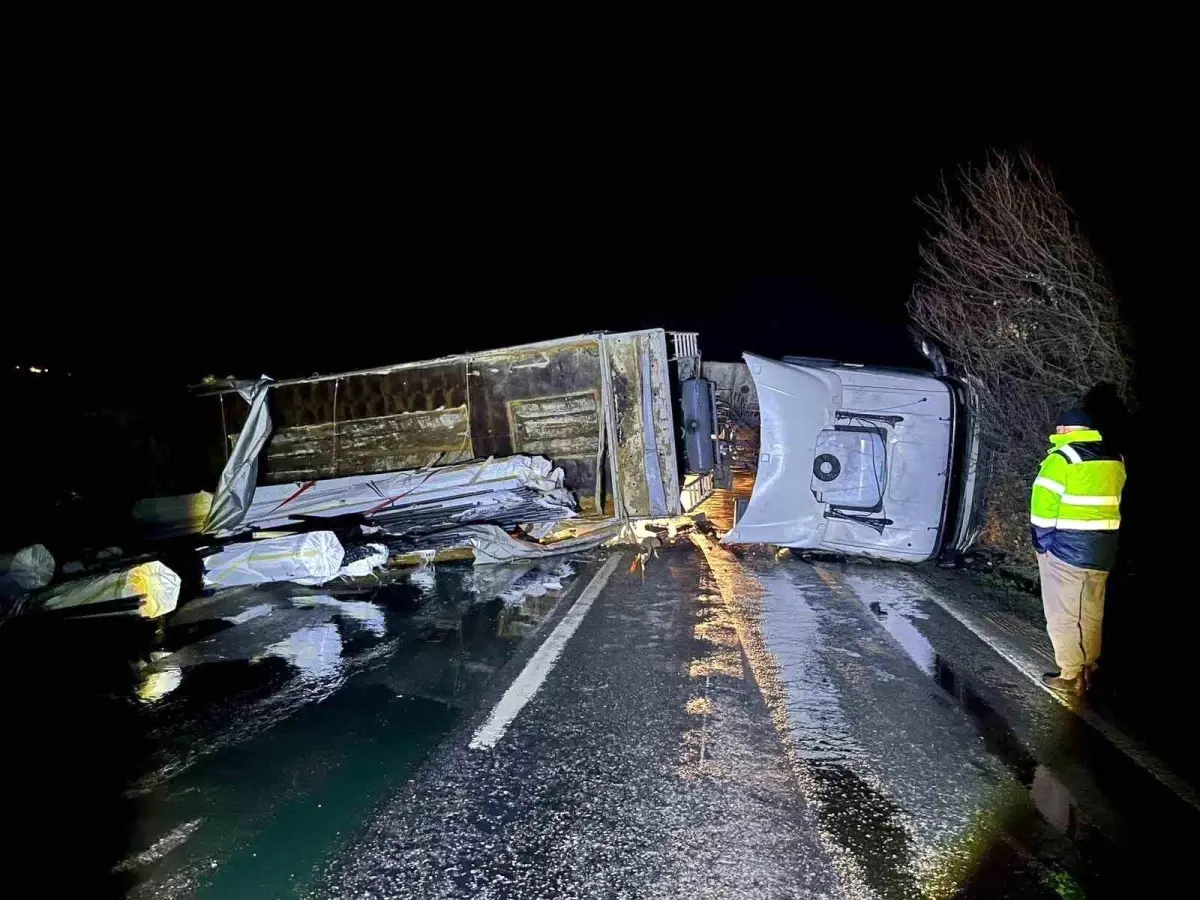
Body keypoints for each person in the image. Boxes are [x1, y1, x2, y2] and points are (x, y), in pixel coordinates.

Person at [1030, 409, 1126, 693]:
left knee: (1063, 614)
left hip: (1066, 551)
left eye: (1059, 428)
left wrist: (1043, 545)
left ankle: (1071, 675)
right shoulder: (1116, 458)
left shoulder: (1062, 459)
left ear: (1066, 429)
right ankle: (1089, 667)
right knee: (1092, 612)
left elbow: (1042, 511)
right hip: (1103, 550)